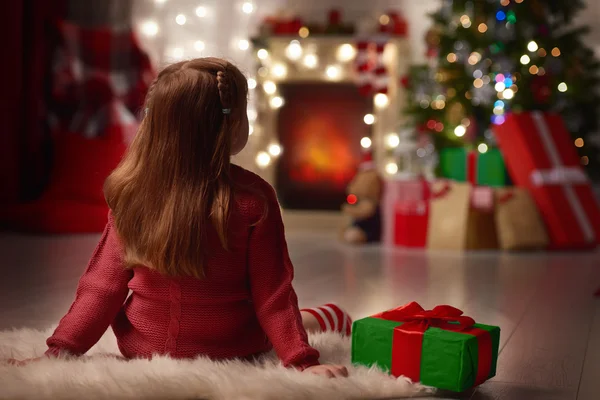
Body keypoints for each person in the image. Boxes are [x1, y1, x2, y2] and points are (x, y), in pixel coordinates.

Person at [10, 58, 351, 378]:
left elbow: (102, 287)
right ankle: (321, 321)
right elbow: (272, 293)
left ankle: (305, 326)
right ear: (229, 126)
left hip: (144, 350)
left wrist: (60, 351)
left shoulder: (132, 194)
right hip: (233, 350)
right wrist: (303, 362)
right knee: (332, 315)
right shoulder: (254, 198)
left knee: (293, 319)